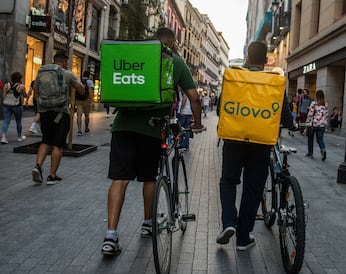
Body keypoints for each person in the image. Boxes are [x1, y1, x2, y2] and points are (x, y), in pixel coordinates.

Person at [101, 27, 205, 256]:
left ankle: (111, 236)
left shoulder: (137, 54)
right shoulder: (175, 62)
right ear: (173, 42)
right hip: (152, 127)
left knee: (120, 179)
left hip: (123, 126)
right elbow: (195, 97)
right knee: (149, 178)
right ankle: (148, 223)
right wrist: (197, 124)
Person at [216, 41, 294, 251]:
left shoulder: (234, 77)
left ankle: (229, 223)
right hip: (261, 143)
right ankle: (243, 238)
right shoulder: (274, 82)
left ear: (247, 59)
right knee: (253, 187)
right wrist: (291, 124)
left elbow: (220, 109)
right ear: (265, 62)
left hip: (233, 140)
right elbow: (285, 115)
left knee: (228, 181)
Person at [31, 52, 85, 184]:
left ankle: (38, 166)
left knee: (45, 141)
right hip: (61, 113)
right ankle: (52, 175)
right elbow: (82, 89)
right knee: (58, 144)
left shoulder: (42, 71)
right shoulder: (67, 73)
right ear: (65, 62)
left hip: (44, 112)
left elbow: (36, 90)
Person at [1, 72, 27, 144]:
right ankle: (19, 137)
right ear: (20, 78)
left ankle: (3, 137)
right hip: (17, 106)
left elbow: (3, 96)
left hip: (6, 105)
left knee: (6, 121)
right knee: (18, 121)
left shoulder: (6, 85)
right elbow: (25, 96)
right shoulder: (21, 86)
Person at [305, 89, 329, 161]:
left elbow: (310, 114)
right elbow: (326, 115)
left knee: (310, 139)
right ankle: (323, 149)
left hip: (314, 124)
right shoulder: (326, 104)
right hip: (322, 125)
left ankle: (310, 153)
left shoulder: (314, 103)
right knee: (320, 139)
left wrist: (307, 123)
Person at [76, 71, 94, 136]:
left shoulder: (79, 80)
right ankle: (86, 128)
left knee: (79, 116)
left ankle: (79, 130)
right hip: (86, 100)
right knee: (86, 115)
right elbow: (90, 91)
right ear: (89, 75)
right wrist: (91, 101)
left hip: (79, 100)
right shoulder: (90, 82)